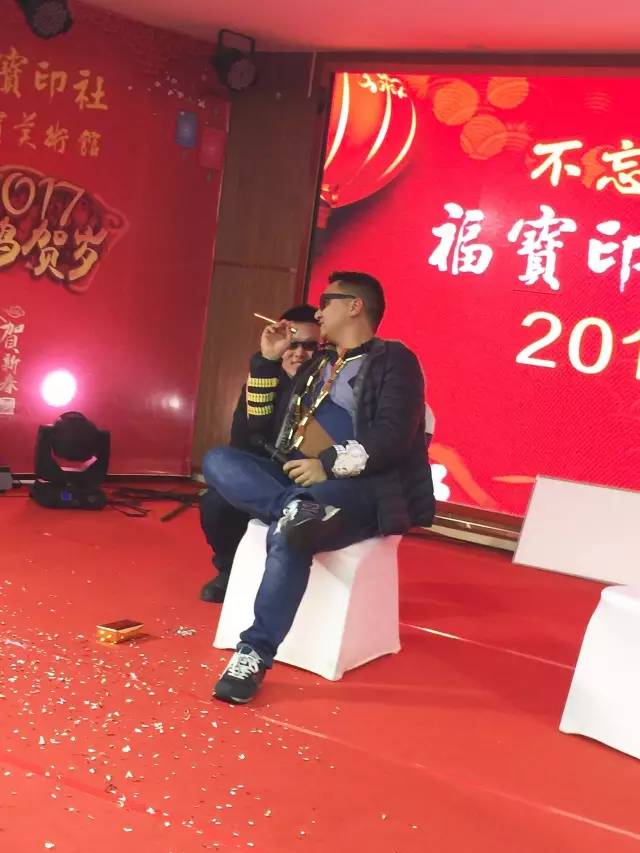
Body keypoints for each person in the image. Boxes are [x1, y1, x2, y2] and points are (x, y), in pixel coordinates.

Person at [203, 272, 435, 704]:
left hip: (358, 488)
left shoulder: (395, 360)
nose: (318, 311)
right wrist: (266, 362)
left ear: (354, 306)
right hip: (296, 479)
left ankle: (253, 652)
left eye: (326, 301)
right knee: (218, 461)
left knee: (293, 530)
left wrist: (326, 465)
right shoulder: (318, 364)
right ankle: (294, 506)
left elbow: (393, 438)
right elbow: (259, 430)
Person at [199, 305, 320, 603]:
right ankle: (230, 570)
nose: (299, 353)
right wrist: (266, 364)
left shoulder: (326, 386)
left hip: (310, 479)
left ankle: (295, 519)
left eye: (309, 346)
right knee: (215, 496)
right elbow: (243, 443)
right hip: (269, 478)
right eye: (292, 344)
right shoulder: (261, 381)